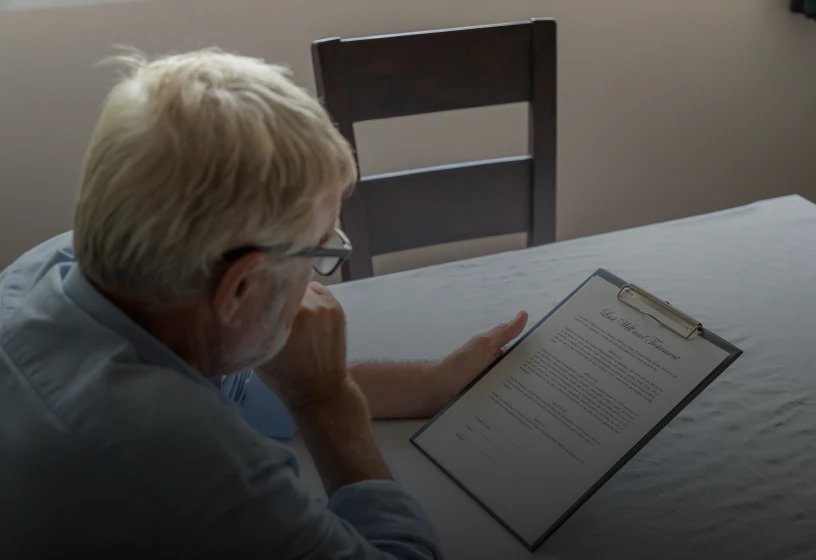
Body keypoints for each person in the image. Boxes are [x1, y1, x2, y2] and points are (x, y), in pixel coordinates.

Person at [0, 48, 528, 557]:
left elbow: (241, 392)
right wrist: (326, 402)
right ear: (239, 288)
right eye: (320, 249)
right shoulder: (184, 457)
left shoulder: (58, 268)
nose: (319, 277)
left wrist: (429, 384)